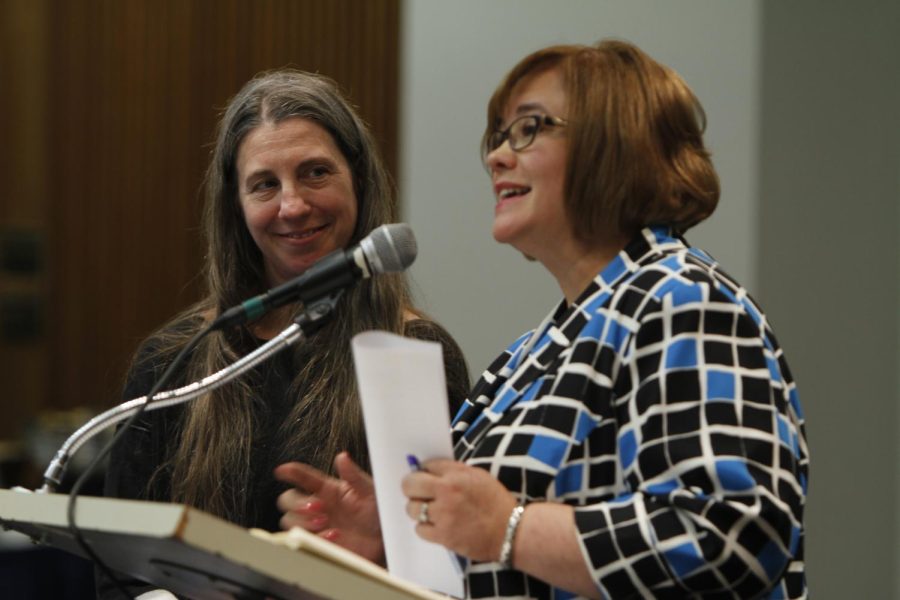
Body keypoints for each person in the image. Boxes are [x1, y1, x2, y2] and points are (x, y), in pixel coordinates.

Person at [275, 40, 808, 599]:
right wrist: (397, 541)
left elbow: (731, 536)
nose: (497, 156)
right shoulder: (532, 351)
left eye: (529, 129)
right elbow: (507, 552)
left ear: (617, 145)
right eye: (499, 136)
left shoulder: (684, 302)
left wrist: (510, 526)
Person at [98, 69, 470, 598]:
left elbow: (454, 572)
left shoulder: (416, 353)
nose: (292, 206)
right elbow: (118, 571)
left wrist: (385, 549)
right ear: (236, 206)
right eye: (265, 185)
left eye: (316, 172)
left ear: (359, 180)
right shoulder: (175, 360)